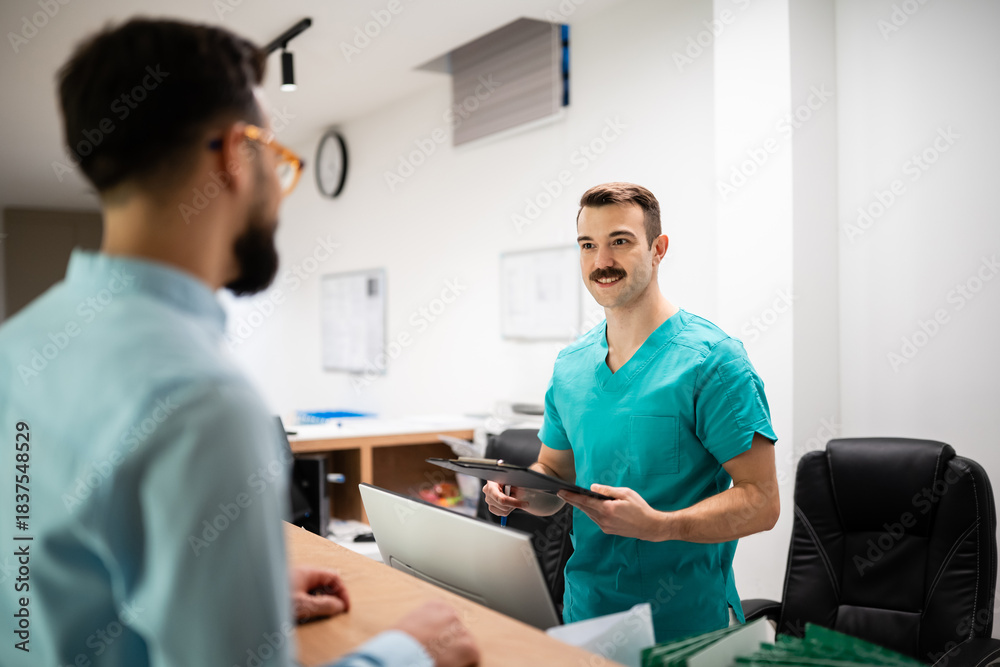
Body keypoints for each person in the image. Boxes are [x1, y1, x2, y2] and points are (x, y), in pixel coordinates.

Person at [0, 19, 478, 667]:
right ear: (233, 154)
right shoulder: (201, 400)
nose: (279, 198)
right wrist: (409, 651)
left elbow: (49, 580)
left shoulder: (19, 345)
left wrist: (226, 594)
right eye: (276, 161)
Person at [484, 182, 780, 642]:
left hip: (686, 626)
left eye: (619, 241)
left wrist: (662, 526)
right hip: (588, 617)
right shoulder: (571, 368)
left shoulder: (714, 362)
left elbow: (762, 502)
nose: (601, 261)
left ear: (658, 249)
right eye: (588, 245)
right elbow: (553, 478)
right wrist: (523, 493)